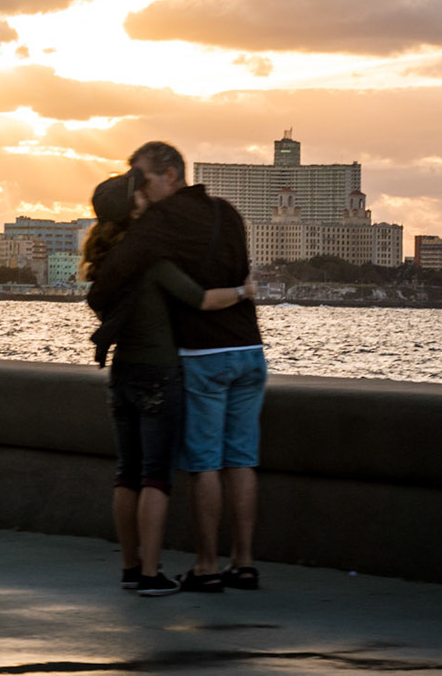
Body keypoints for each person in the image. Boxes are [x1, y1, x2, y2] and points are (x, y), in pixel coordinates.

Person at [86, 140, 265, 593]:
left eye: (142, 179)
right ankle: (243, 564)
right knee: (242, 461)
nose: (138, 190)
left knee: (202, 465)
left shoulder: (160, 223)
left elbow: (108, 280)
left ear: (169, 174)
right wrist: (246, 293)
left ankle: (205, 566)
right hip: (248, 348)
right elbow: (237, 273)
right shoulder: (227, 211)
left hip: (200, 354)